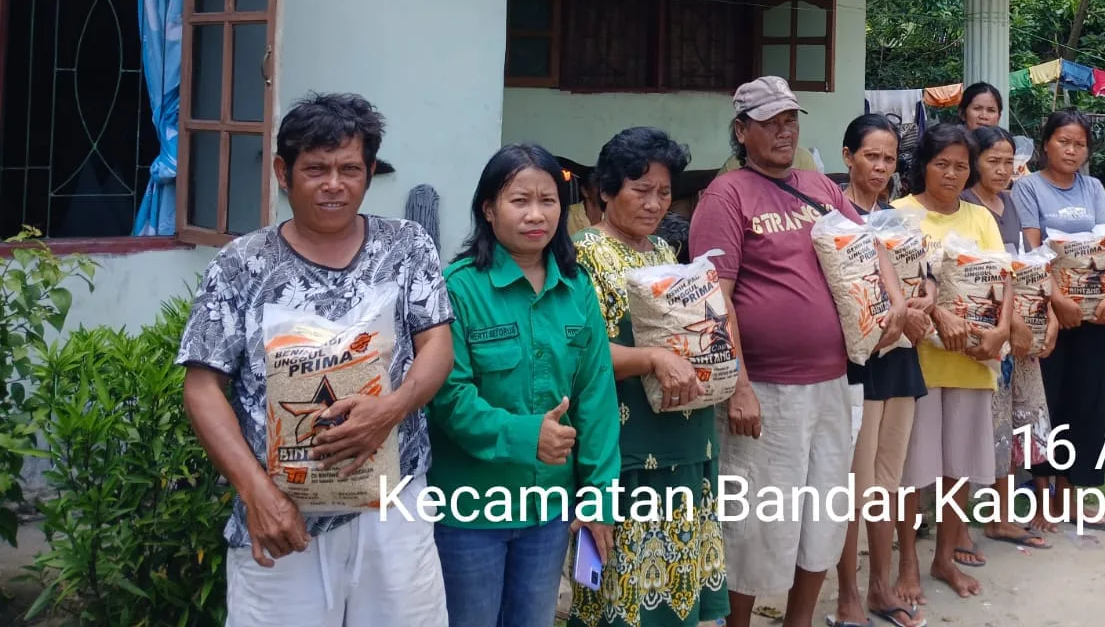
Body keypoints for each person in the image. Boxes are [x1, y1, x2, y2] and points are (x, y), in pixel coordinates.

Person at [177, 93, 453, 626]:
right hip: (283, 514)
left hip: (393, 505)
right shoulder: (241, 264)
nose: (334, 184)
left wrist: (389, 411)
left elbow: (437, 346)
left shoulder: (406, 246)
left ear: (370, 172)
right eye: (316, 169)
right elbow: (202, 387)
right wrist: (255, 493)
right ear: (284, 172)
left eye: (350, 168)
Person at [690, 77, 903, 627]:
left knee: (824, 512)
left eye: (790, 120)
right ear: (742, 131)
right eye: (769, 122)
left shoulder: (820, 187)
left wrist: (895, 303)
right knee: (759, 519)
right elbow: (715, 299)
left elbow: (866, 248)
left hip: (833, 381)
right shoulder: (726, 195)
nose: (784, 131)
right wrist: (736, 386)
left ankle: (798, 621)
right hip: (765, 387)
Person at [428, 143, 621, 627]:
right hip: (470, 510)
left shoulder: (577, 288)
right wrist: (525, 435)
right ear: (489, 209)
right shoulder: (457, 288)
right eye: (519, 200)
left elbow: (597, 397)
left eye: (549, 200)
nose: (536, 214)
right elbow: (448, 397)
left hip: (548, 512)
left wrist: (598, 497)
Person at [570, 127, 730, 627]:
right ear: (605, 190)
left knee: (677, 592)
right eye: (641, 191)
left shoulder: (664, 253)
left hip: (685, 441)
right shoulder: (582, 256)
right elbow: (578, 354)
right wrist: (654, 359)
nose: (655, 203)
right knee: (624, 596)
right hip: (624, 448)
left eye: (663, 192)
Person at [894, 123, 1010, 600]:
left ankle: (944, 558)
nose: (952, 173)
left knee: (956, 468)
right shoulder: (898, 215)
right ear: (923, 165)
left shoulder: (980, 218)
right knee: (910, 472)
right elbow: (893, 285)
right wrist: (937, 312)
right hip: (916, 361)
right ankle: (905, 567)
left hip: (972, 358)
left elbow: (1003, 280)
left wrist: (1002, 330)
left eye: (961, 165)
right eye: (942, 163)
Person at [834, 114, 931, 627]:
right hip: (860, 364)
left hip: (901, 361)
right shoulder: (832, 217)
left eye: (889, 158)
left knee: (887, 481)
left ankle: (881, 586)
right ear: (848, 155)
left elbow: (926, 280)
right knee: (856, 482)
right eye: (871, 155)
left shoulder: (897, 219)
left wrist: (922, 305)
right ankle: (847, 593)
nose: (880, 166)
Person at [1012, 110, 1105, 531]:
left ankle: (1073, 495)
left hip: (1097, 313)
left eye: (1079, 144)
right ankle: (1044, 497)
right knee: (1047, 402)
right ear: (1046, 144)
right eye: (1064, 141)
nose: (1072, 150)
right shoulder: (1028, 188)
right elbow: (1031, 249)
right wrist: (1058, 300)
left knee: (1088, 402)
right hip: (1048, 315)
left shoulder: (1093, 187)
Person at [962, 126, 1050, 551]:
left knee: (1014, 422)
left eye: (1008, 161)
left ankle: (1001, 515)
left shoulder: (1013, 202)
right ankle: (958, 527)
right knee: (977, 424)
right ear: (974, 162)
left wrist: (1041, 318)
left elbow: (1029, 263)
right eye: (992, 161)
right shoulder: (966, 205)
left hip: (1019, 333)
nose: (1002, 169)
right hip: (984, 331)